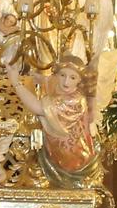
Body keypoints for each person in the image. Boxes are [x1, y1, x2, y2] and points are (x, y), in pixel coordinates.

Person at [8, 56, 96, 186]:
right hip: (56, 151)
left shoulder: (74, 100)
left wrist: (16, 83)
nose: (66, 81)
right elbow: (50, 82)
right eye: (62, 75)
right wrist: (40, 79)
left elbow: (38, 108)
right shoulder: (62, 90)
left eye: (73, 77)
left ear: (79, 81)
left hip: (71, 158)